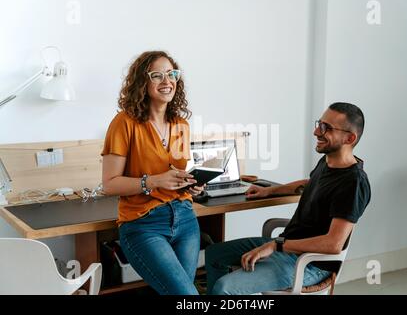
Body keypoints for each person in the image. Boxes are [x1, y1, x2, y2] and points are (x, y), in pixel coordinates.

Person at [205, 102, 371, 295]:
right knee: (214, 254)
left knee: (224, 288)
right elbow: (312, 182)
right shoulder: (328, 162)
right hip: (286, 247)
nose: (317, 131)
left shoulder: (353, 182)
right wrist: (270, 191)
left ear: (349, 138)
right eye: (319, 123)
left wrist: (277, 245)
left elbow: (333, 244)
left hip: (310, 264)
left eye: (327, 128)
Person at [101, 51, 204, 295]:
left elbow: (176, 174)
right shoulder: (124, 123)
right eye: (157, 75)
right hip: (143, 223)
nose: (166, 81)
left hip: (185, 219)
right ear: (142, 82)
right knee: (187, 295)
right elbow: (109, 184)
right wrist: (155, 181)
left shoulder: (181, 124)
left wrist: (191, 184)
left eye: (171, 74)